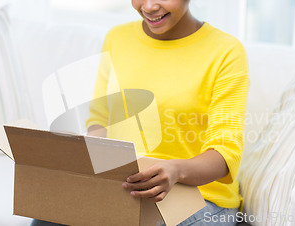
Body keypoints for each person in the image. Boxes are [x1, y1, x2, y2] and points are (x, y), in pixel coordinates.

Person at [32, 0, 249, 225]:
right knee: (48, 213)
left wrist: (175, 170)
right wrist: (86, 154)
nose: (149, 6)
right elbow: (100, 118)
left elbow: (225, 154)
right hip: (128, 189)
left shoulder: (225, 50)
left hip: (201, 198)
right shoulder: (118, 38)